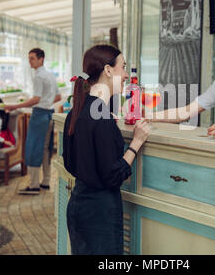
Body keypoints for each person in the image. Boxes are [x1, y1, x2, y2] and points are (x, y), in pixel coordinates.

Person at [62, 44, 150, 255]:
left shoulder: (77, 109)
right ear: (108, 71)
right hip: (99, 214)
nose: (127, 74)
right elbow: (113, 176)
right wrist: (137, 142)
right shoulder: (100, 115)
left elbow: (70, 162)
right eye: (123, 67)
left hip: (77, 205)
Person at [4, 48, 62, 195]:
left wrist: (13, 106)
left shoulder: (38, 76)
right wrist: (47, 102)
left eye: (32, 58)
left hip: (39, 115)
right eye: (29, 58)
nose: (29, 61)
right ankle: (46, 182)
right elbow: (58, 97)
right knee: (45, 149)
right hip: (49, 114)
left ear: (41, 59)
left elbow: (36, 99)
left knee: (32, 148)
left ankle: (34, 184)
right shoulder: (50, 75)